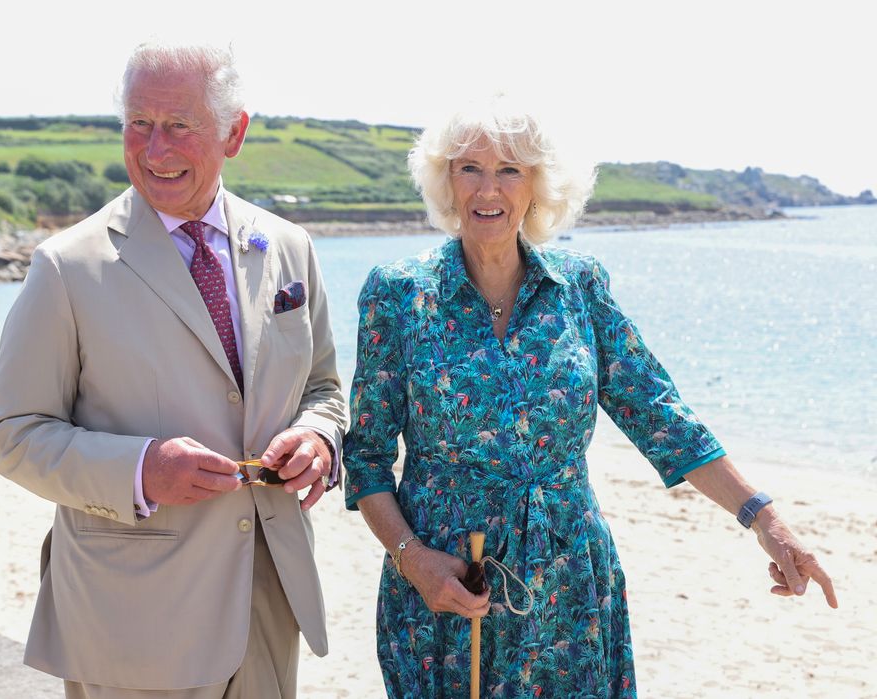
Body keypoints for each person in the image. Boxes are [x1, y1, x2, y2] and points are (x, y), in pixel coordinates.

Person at [342, 96, 837, 698]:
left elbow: (660, 414)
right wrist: (412, 558)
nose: (487, 188)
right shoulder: (397, 294)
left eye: (510, 169)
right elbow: (365, 457)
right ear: (445, 179)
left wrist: (766, 520)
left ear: (537, 186)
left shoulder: (579, 285)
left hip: (569, 593)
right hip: (446, 595)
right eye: (469, 167)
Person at [0, 40, 347, 699]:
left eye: (178, 124)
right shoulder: (66, 267)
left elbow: (323, 387)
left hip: (268, 606)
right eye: (138, 124)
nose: (154, 149)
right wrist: (140, 469)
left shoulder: (290, 247)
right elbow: (11, 432)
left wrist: (320, 439)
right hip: (132, 620)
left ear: (235, 132)